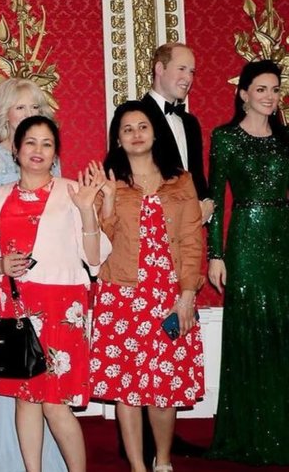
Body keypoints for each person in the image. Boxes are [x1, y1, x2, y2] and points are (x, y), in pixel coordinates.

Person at [204, 60, 289, 465]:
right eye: (261, 89)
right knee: (249, 331)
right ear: (243, 93)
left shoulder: (288, 137)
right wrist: (216, 254)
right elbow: (215, 200)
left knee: (281, 328)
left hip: (280, 239)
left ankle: (286, 428)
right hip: (244, 237)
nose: (270, 97)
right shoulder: (223, 138)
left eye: (275, 89)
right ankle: (248, 432)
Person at [0, 116, 111, 472]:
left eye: (46, 144)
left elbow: (95, 257)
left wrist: (87, 210)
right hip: (15, 309)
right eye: (30, 142)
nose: (37, 151)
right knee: (25, 400)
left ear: (55, 153)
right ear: (16, 148)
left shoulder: (72, 192)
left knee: (56, 403)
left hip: (60, 307)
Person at [91, 100, 206, 472]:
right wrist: (106, 202)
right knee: (128, 386)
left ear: (155, 131)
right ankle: (138, 466)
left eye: (142, 126)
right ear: (118, 139)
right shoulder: (110, 181)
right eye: (127, 129)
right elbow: (98, 247)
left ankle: (164, 462)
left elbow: (191, 241)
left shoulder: (181, 180)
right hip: (122, 295)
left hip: (168, 296)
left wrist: (187, 297)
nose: (136, 134)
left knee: (164, 385)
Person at [0, 77, 68, 472]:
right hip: (4, 288)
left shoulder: (51, 159)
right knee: (10, 377)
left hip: (48, 289)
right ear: (3, 114)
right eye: (20, 108)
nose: (29, 116)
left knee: (44, 386)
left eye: (35, 108)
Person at [141, 43, 213, 224]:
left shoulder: (190, 123)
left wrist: (206, 204)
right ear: (160, 69)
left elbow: (196, 175)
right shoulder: (136, 116)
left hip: (189, 231)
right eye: (182, 69)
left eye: (192, 72)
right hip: (151, 225)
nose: (188, 78)